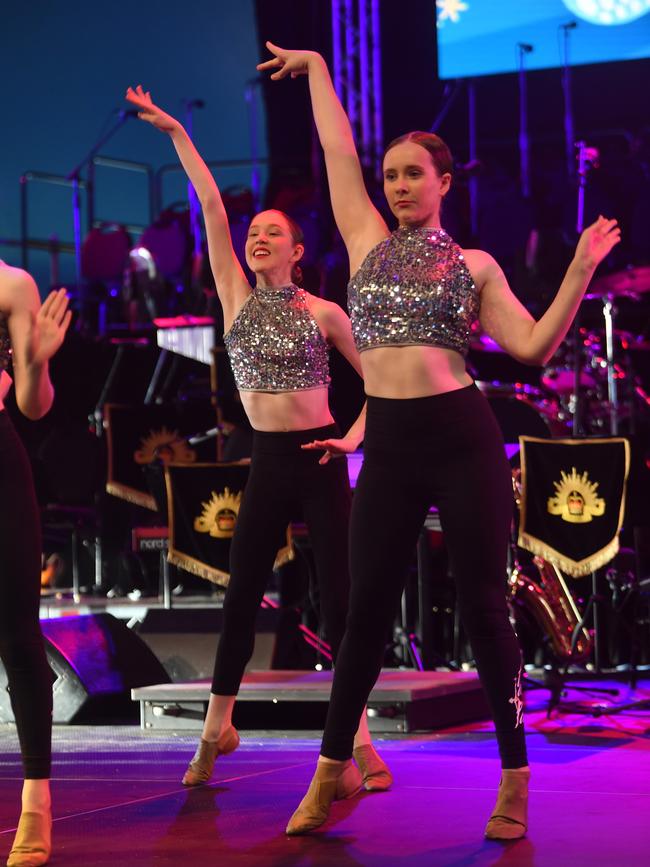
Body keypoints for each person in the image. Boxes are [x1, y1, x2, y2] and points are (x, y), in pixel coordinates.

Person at [257, 43, 621, 839]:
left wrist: (580, 270)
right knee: (361, 616)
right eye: (390, 175)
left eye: (412, 173)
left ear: (444, 182)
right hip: (387, 445)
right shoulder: (363, 241)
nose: (396, 186)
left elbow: (531, 349)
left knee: (488, 609)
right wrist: (320, 67)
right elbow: (334, 149)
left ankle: (515, 777)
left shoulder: (477, 265)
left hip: (461, 438)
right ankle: (329, 772)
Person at [125, 85, 391, 794]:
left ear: (298, 250)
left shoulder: (327, 312)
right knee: (243, 593)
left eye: (273, 230)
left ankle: (356, 736)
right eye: (255, 231)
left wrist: (355, 437)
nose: (258, 235)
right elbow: (211, 203)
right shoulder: (235, 297)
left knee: (338, 599)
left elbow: (381, 382)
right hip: (268, 461)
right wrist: (179, 127)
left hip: (320, 456)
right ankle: (218, 725)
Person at [0, 265, 71, 867]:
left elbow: (32, 405)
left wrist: (38, 362)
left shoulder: (12, 285)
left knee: (17, 635)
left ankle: (35, 804)